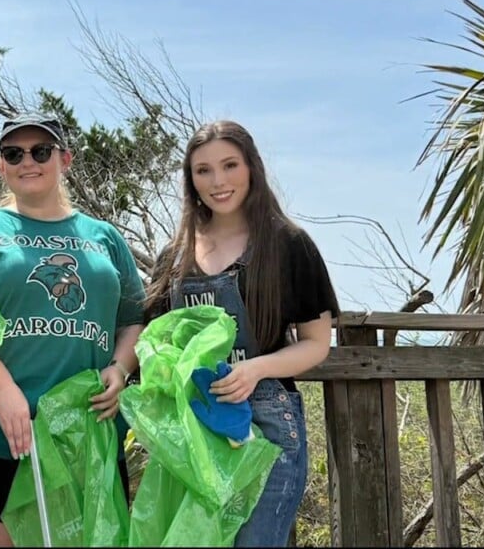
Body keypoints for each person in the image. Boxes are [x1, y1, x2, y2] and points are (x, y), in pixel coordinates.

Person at [0, 112, 146, 547]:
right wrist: (1, 389)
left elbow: (132, 321)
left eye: (41, 151)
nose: (27, 161)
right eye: (14, 153)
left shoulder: (104, 236)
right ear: (1, 165)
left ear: (64, 159)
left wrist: (121, 369)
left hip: (84, 431)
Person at [143, 120, 339, 547]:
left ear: (251, 167)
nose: (218, 181)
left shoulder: (289, 244)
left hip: (265, 421)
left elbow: (316, 344)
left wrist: (254, 370)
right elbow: (153, 340)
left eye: (230, 165)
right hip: (193, 423)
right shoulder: (173, 255)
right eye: (204, 170)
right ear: (190, 180)